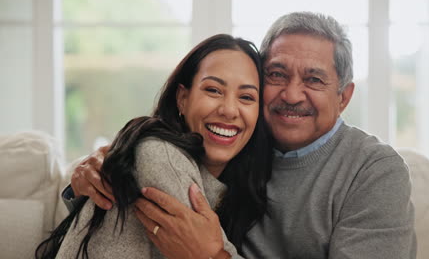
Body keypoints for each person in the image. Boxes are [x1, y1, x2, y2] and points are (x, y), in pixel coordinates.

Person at [65, 12, 417, 258]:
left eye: (313, 79)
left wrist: (212, 255)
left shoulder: (374, 171)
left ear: (344, 97)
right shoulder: (231, 145)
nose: (292, 95)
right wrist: (91, 176)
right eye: (277, 74)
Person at [36, 34, 272, 259]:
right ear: (182, 98)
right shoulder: (159, 154)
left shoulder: (237, 187)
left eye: (247, 97)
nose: (229, 110)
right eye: (213, 90)